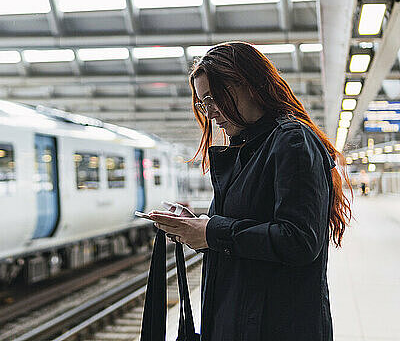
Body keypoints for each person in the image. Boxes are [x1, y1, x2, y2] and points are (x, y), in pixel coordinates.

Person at [150, 42, 353, 341]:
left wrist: (213, 232)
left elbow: (299, 240)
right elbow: (248, 228)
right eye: (203, 104)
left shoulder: (292, 141)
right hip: (243, 321)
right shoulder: (248, 149)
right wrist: (198, 226)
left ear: (250, 85)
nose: (210, 112)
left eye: (213, 98)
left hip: (275, 326)